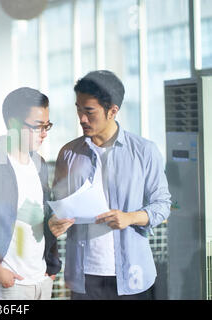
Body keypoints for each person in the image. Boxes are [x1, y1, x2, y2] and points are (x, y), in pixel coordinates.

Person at [50, 70, 171, 300]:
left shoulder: (144, 151)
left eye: (89, 111)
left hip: (132, 275)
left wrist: (130, 217)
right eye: (78, 108)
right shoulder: (68, 153)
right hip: (83, 277)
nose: (81, 118)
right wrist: (54, 222)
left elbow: (163, 204)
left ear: (113, 110)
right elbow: (57, 205)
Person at [0, 87, 61, 300]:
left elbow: (37, 218)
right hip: (8, 284)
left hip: (41, 281)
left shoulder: (40, 164)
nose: (44, 133)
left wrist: (51, 267)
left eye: (47, 126)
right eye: (38, 127)